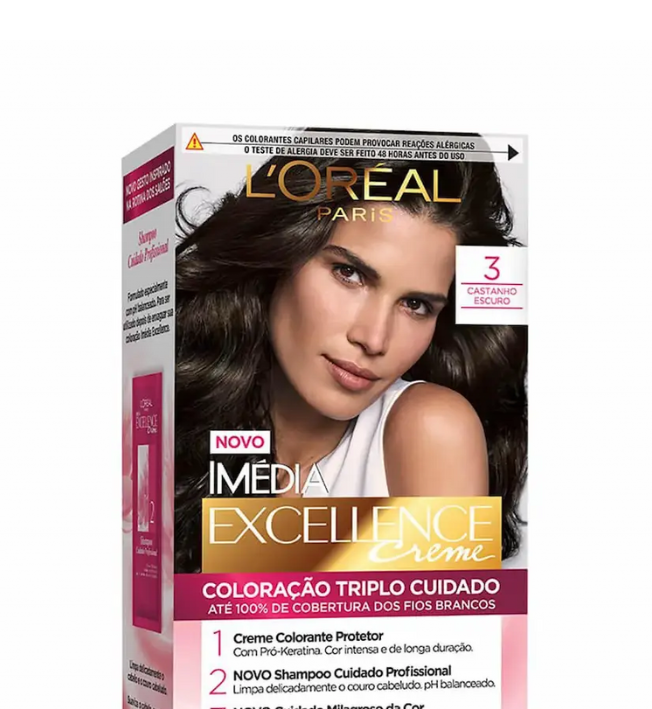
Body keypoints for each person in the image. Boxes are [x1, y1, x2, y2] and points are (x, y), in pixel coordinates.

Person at [174, 151, 526, 573]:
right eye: (349, 273)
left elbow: (451, 618)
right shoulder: (173, 407)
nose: (373, 339)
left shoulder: (432, 430)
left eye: (415, 304)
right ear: (283, 252)